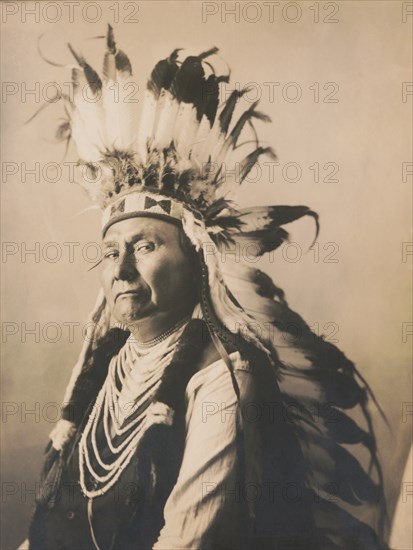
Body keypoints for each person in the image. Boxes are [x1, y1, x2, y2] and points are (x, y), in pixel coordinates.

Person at [22, 25, 388, 550]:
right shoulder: (101, 365)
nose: (121, 268)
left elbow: (186, 540)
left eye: (145, 246)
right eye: (110, 251)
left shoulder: (223, 376)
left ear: (197, 263)